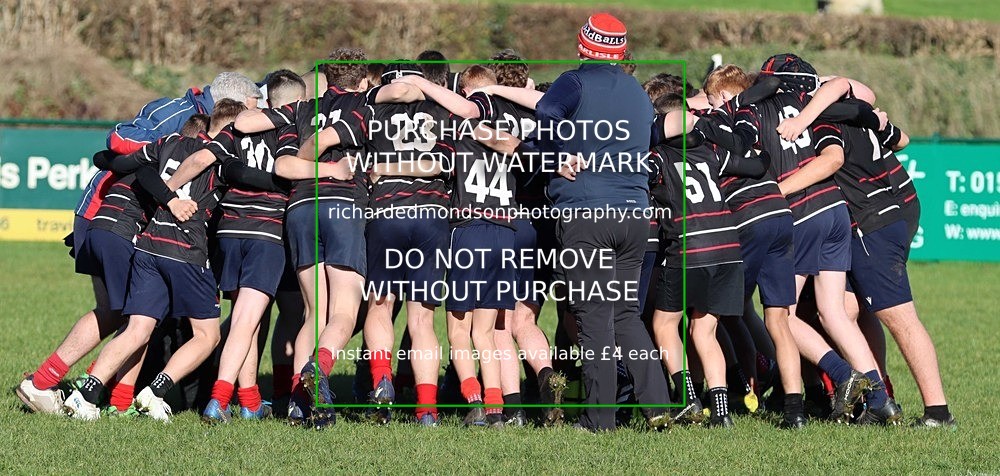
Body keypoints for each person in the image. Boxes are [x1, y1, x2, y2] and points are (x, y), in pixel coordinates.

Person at [62, 100, 247, 421]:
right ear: (232, 130)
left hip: (148, 247)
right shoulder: (225, 160)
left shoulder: (168, 142)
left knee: (137, 328)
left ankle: (85, 395)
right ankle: (154, 391)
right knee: (208, 336)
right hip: (186, 252)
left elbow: (118, 164)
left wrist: (108, 161)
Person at [534, 12, 671, 432]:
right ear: (621, 52)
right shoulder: (636, 91)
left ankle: (598, 420)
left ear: (581, 47)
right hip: (634, 214)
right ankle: (659, 405)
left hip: (587, 213)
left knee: (593, 316)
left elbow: (545, 116)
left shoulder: (573, 81)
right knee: (626, 314)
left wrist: (558, 154)